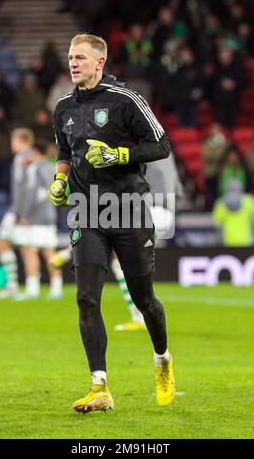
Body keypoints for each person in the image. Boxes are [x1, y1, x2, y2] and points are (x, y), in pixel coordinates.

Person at [48, 33, 175, 412]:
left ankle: (162, 358)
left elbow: (162, 145)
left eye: (81, 58)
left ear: (100, 63)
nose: (73, 63)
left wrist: (120, 154)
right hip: (86, 210)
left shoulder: (126, 100)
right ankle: (99, 385)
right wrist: (59, 179)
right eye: (71, 56)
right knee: (87, 296)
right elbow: (63, 150)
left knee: (144, 299)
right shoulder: (63, 107)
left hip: (128, 209)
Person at [50, 153, 180, 332]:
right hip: (165, 212)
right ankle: (140, 315)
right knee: (117, 251)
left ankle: (69, 252)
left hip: (151, 209)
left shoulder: (139, 148)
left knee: (106, 227)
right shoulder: (161, 149)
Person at [13, 139, 62, 301]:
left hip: (35, 216)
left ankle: (32, 289)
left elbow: (35, 193)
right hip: (49, 214)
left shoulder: (35, 168)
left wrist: (24, 215)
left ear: (34, 151)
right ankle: (56, 288)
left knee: (30, 251)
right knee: (49, 251)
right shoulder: (51, 166)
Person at [0, 128, 34, 299]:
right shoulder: (29, 157)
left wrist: (22, 212)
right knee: (7, 244)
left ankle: (21, 286)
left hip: (18, 210)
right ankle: (16, 285)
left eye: (13, 140)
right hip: (19, 209)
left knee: (13, 245)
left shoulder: (23, 159)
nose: (12, 144)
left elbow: (28, 187)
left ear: (20, 140)